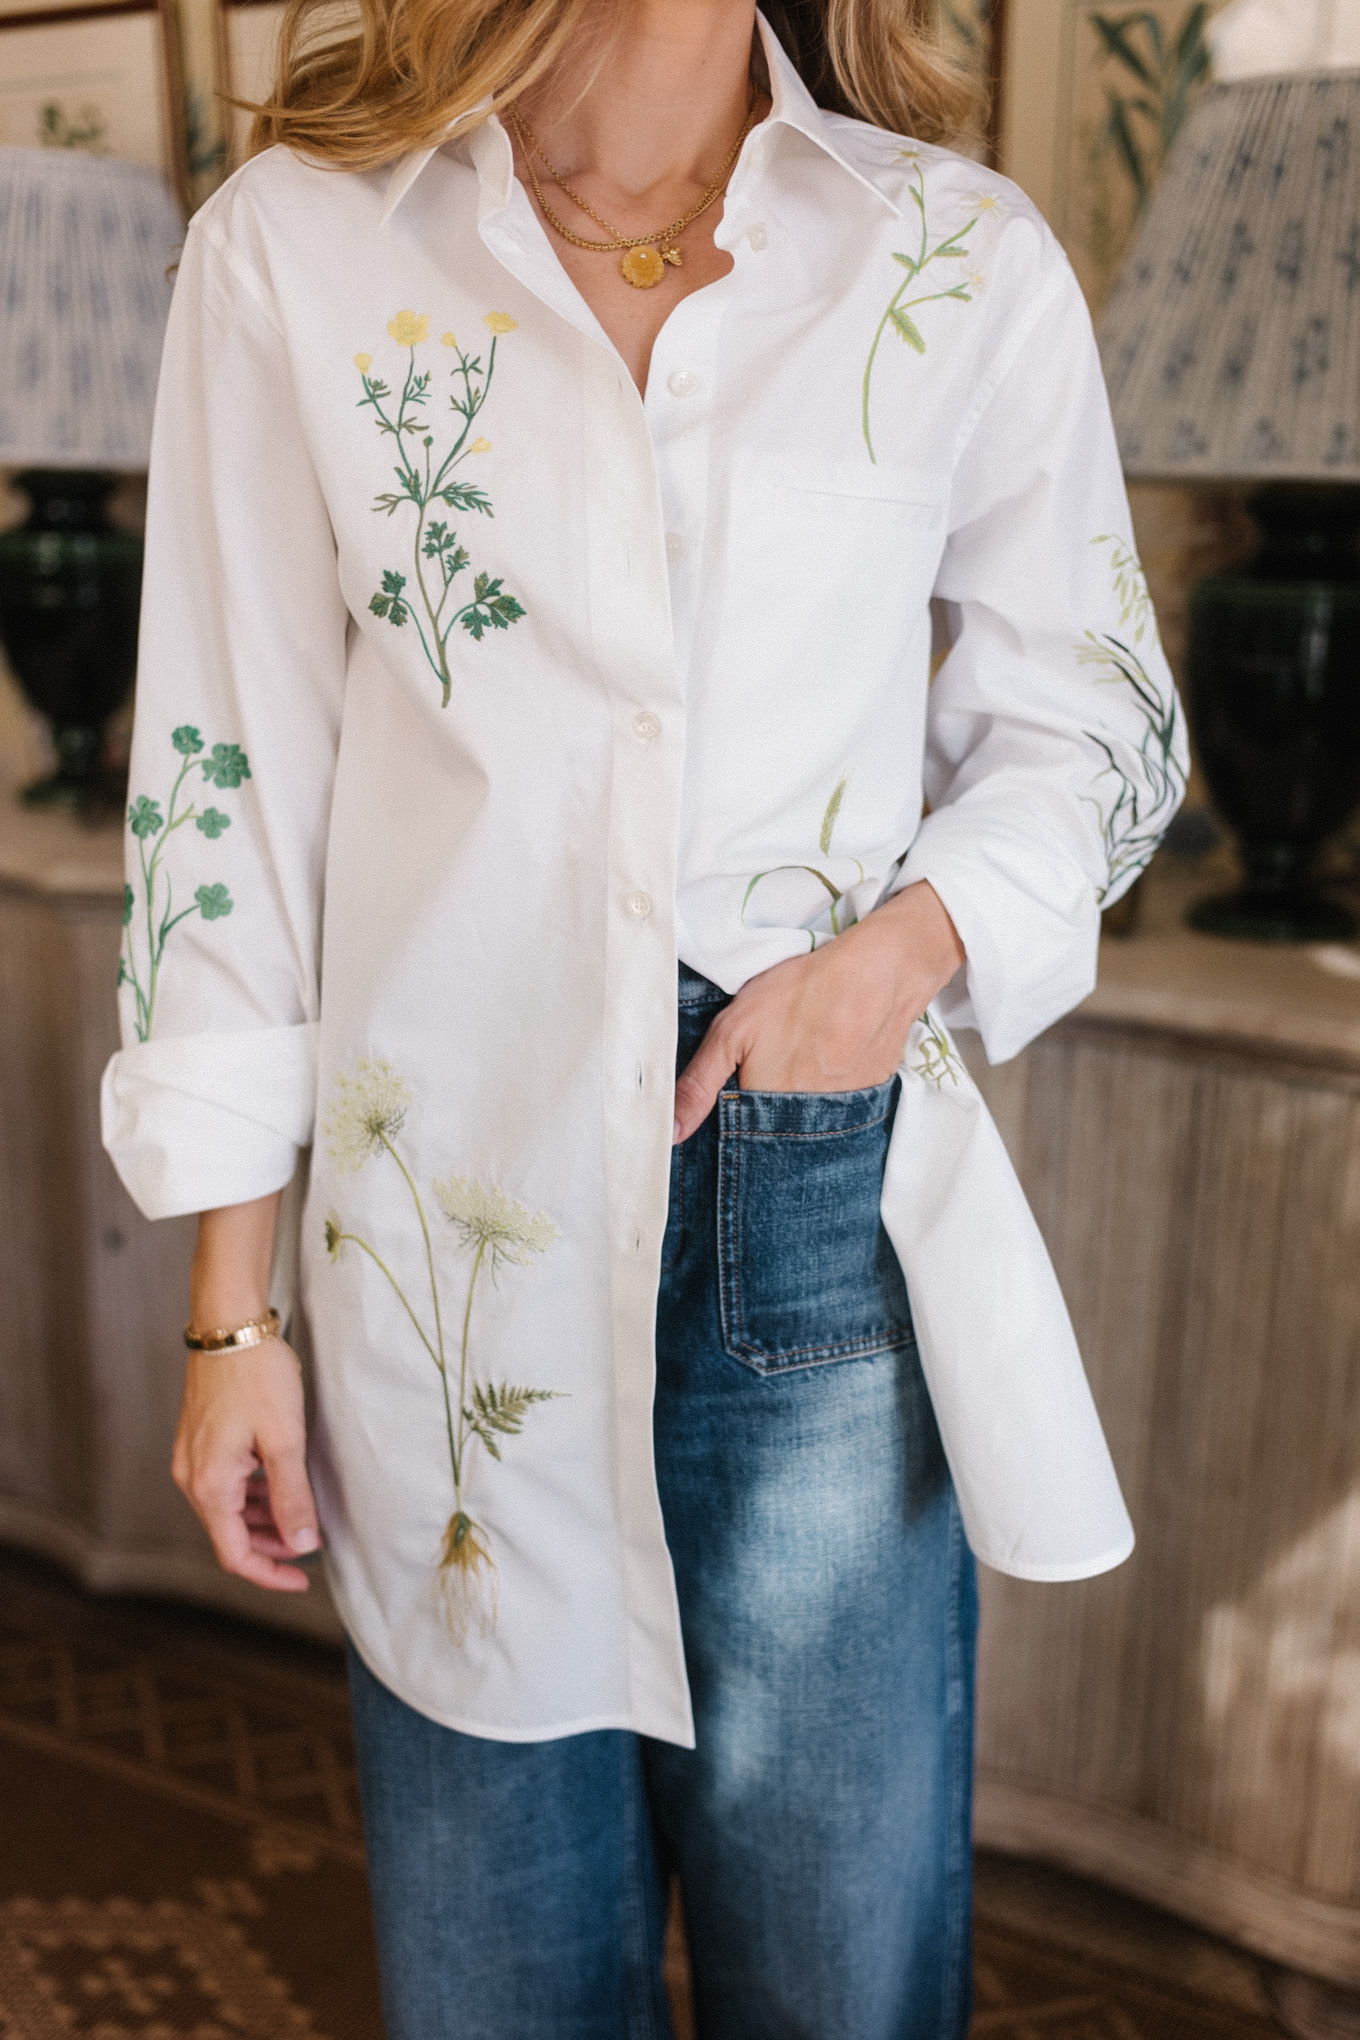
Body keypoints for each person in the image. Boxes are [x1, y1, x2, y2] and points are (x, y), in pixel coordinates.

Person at [101, 1, 1187, 2033]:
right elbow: (228, 793)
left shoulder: (945, 258)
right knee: (499, 1981)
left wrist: (896, 956)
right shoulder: (296, 248)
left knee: (838, 1986)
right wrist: (228, 1310)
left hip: (806, 1202)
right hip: (445, 1242)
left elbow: (1093, 727)